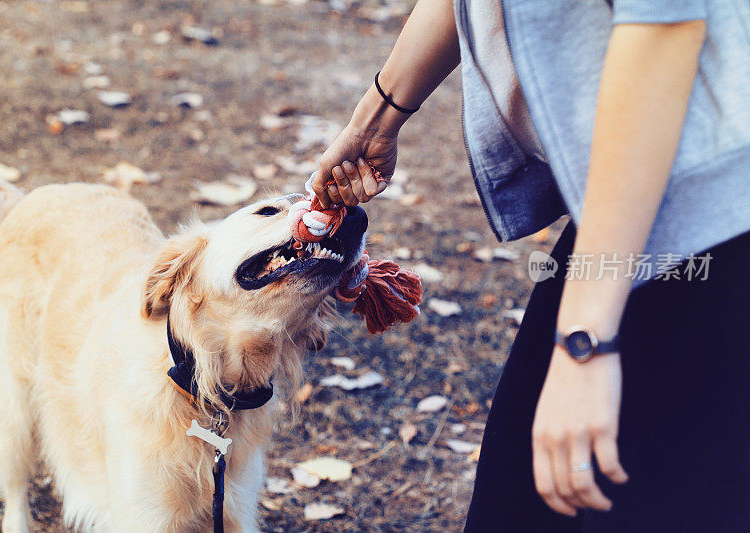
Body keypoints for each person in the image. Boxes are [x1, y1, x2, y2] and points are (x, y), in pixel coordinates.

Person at [313, 0, 750, 531]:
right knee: (520, 501)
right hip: (644, 207)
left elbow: (663, 30)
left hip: (724, 216)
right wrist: (376, 120)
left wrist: (585, 346)